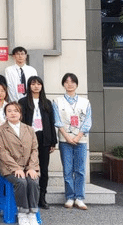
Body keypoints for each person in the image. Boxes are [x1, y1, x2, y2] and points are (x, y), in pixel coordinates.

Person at [0, 102, 41, 225]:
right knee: (21, 182)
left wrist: (31, 167)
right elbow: (2, 152)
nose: (13, 113)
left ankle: (32, 213)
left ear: (20, 114)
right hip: (9, 167)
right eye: (9, 111)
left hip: (29, 166)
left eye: (16, 111)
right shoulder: (0, 131)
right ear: (5, 114)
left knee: (33, 181)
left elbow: (34, 150)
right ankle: (22, 213)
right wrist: (16, 168)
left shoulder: (29, 129)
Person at [52, 72, 91, 210]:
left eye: (72, 82)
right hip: (65, 140)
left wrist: (78, 136)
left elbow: (88, 121)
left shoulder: (85, 102)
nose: (70, 84)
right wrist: (67, 137)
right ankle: (69, 197)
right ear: (63, 84)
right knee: (67, 169)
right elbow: (57, 120)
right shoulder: (57, 101)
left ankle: (79, 198)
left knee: (80, 169)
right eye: (67, 82)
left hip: (81, 140)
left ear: (76, 84)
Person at [18, 76, 57, 209]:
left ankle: (42, 197)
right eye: (33, 84)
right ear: (29, 86)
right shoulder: (23, 102)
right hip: (28, 137)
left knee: (43, 169)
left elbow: (51, 122)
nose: (36, 86)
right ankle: (29, 197)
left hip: (44, 137)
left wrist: (53, 141)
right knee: (28, 166)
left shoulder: (47, 102)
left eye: (39, 84)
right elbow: (21, 122)